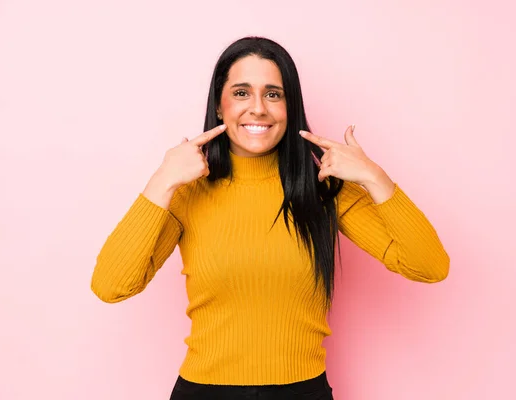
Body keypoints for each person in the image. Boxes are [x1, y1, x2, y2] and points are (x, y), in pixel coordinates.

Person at [90, 36, 450, 400]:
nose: (258, 108)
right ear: (219, 105)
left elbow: (429, 265)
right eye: (242, 93)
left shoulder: (325, 189)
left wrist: (375, 176)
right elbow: (111, 285)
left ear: (289, 107)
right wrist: (161, 182)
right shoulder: (186, 193)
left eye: (273, 94)